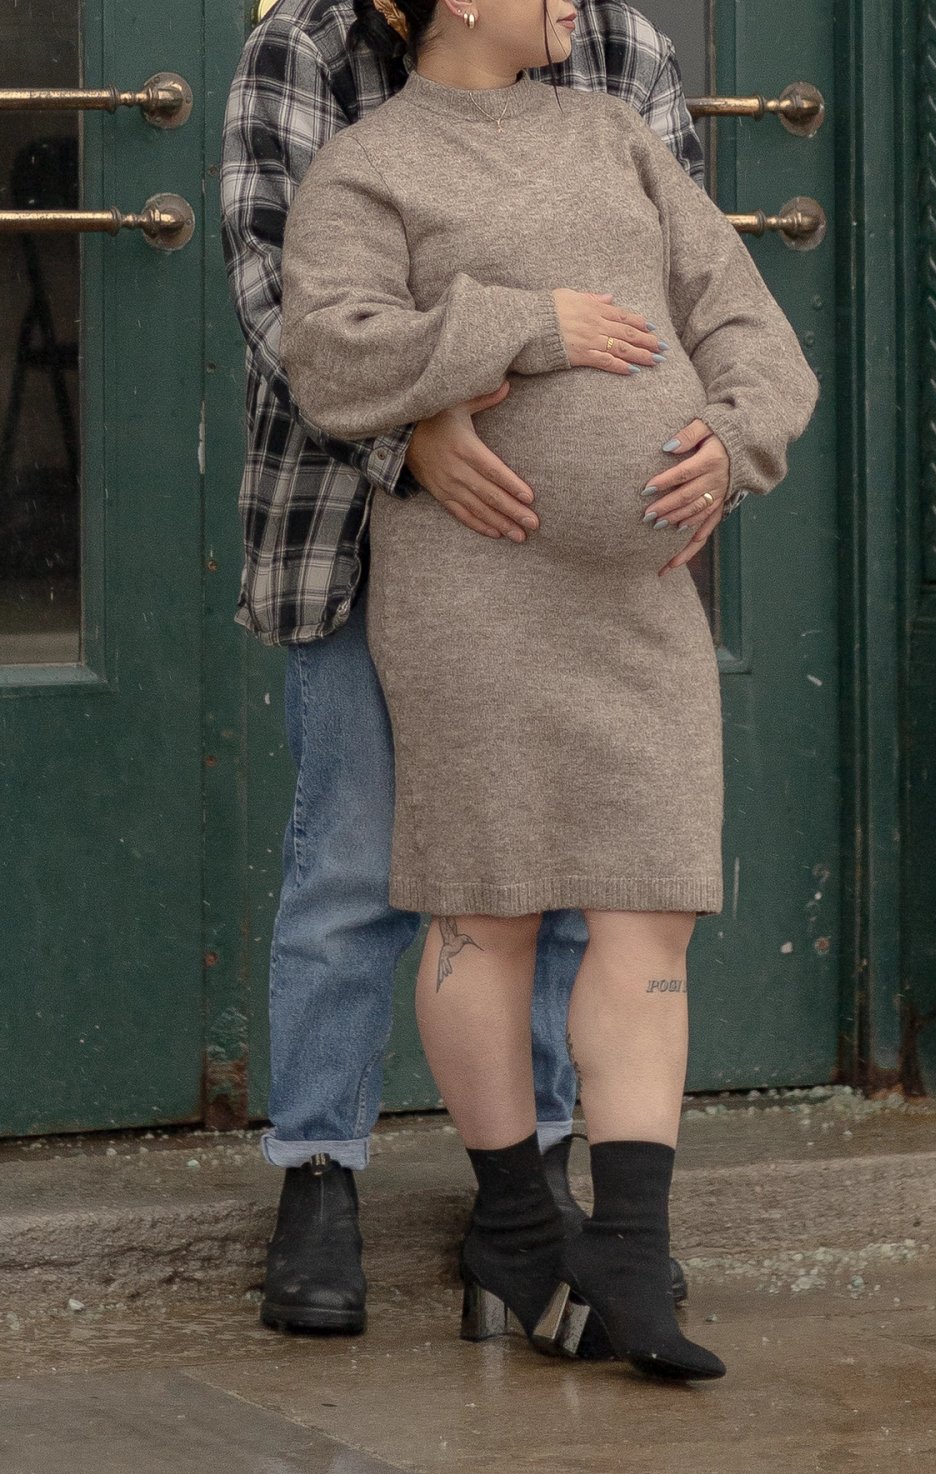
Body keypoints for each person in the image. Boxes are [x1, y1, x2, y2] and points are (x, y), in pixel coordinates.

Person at [280, 0, 819, 1380]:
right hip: (472, 592)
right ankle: (519, 1230)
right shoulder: (370, 165)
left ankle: (631, 1250)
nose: (577, 5)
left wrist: (735, 437)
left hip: (638, 601)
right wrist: (527, 326)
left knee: (649, 900)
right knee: (489, 905)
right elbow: (332, 351)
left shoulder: (614, 132)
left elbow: (739, 316)